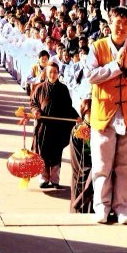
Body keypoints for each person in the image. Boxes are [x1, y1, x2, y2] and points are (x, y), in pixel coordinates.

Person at [82, 6, 127, 224]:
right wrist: (115, 67)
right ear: (109, 23)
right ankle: (102, 207)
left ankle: (122, 207)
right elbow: (90, 75)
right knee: (102, 164)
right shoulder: (97, 47)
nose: (122, 26)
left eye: (126, 23)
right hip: (104, 114)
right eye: (118, 22)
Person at [30, 61, 77, 189]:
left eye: (55, 72)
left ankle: (55, 180)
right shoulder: (39, 88)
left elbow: (68, 107)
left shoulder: (63, 89)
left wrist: (77, 117)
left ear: (58, 73)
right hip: (43, 127)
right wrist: (36, 111)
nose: (53, 74)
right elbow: (33, 104)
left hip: (58, 127)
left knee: (56, 153)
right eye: (50, 72)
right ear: (46, 73)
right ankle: (44, 178)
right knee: (43, 152)